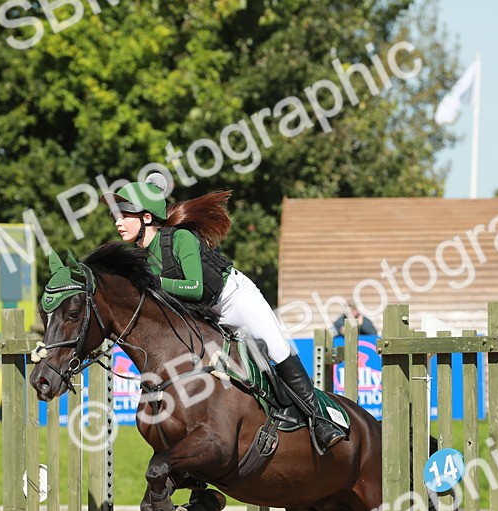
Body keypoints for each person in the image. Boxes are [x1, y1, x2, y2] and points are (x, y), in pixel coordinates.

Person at [101, 176, 347, 454]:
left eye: (124, 216)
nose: (118, 222)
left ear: (146, 217)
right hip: (206, 314)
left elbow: (194, 287)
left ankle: (320, 420)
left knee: (277, 348)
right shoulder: (142, 258)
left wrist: (151, 282)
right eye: (116, 217)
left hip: (235, 298)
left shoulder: (181, 238)